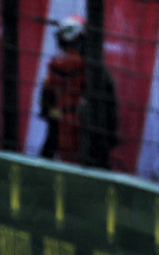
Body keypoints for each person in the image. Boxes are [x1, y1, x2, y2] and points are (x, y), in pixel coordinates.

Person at [40, 15, 119, 168]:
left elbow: (46, 107)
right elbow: (110, 109)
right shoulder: (97, 71)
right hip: (87, 139)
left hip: (60, 134)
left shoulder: (53, 68)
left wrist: (56, 115)